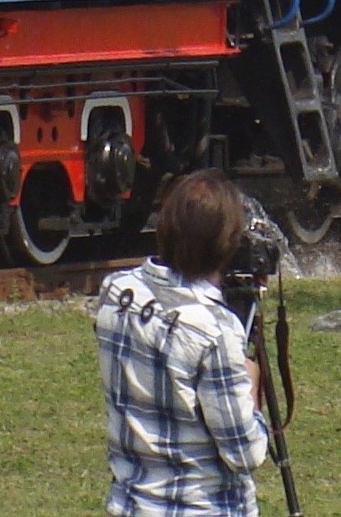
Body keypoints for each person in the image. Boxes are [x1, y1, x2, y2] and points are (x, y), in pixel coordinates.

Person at [93, 169, 270, 517]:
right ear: (227, 245)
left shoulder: (116, 290)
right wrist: (251, 384)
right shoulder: (215, 331)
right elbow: (245, 453)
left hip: (132, 506)